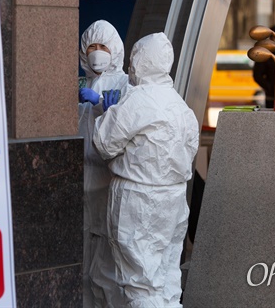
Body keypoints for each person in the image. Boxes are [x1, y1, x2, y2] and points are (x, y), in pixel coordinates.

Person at [93, 32, 199, 308]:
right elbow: (191, 148)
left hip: (137, 201)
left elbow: (103, 142)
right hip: (174, 200)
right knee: (167, 280)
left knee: (140, 284)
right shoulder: (181, 106)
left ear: (140, 61)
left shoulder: (136, 101)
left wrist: (106, 111)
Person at [78, 20, 130, 308]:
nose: (97, 53)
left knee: (108, 267)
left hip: (108, 180)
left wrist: (102, 104)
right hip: (83, 180)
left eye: (103, 47)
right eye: (92, 47)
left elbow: (125, 127)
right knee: (85, 263)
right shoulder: (80, 82)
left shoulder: (125, 84)